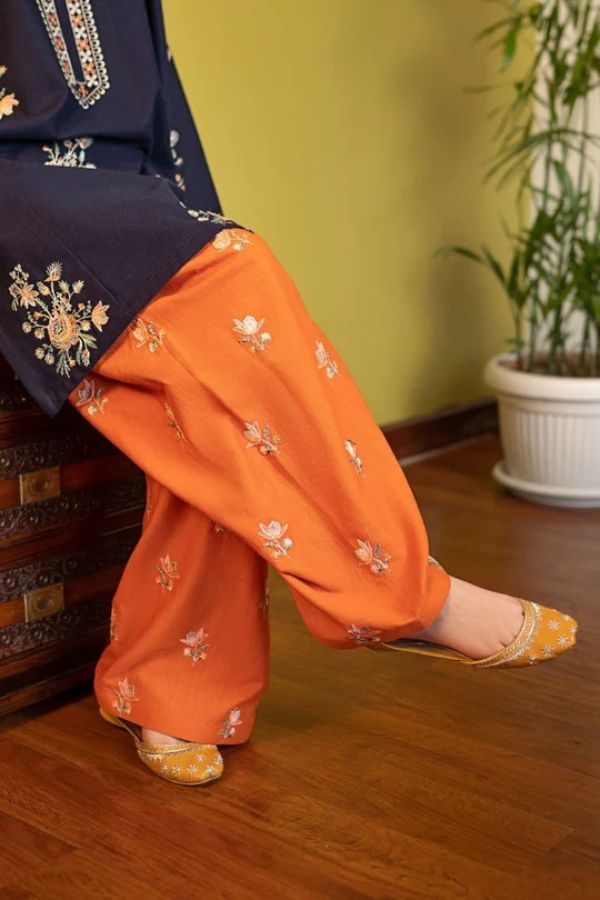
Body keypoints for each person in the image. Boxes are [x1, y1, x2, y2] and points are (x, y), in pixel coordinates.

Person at [0, 0, 578, 787]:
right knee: (235, 277)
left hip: (119, 196)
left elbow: (160, 114)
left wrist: (192, 223)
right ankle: (411, 596)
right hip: (14, 196)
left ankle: (167, 691)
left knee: (210, 383)